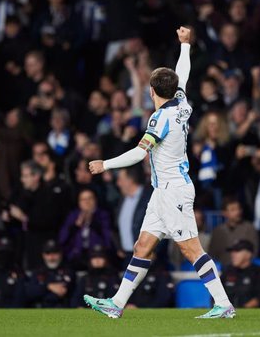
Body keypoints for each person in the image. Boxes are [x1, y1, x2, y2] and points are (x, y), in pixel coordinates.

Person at [86, 27, 235, 319]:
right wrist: (185, 45)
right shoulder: (181, 103)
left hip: (173, 190)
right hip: (163, 190)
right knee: (143, 245)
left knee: (191, 249)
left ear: (151, 91)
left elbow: (140, 153)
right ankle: (117, 304)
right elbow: (184, 73)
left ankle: (223, 303)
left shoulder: (160, 118)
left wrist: (106, 164)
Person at [59, 188, 113, 270]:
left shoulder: (103, 215)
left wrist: (92, 221)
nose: (87, 202)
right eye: (83, 199)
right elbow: (63, 238)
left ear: (95, 200)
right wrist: (76, 226)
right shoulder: (73, 216)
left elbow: (107, 236)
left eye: (89, 198)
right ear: (79, 202)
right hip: (76, 256)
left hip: (97, 255)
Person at [219, 239, 260, 309]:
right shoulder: (227, 271)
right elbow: (217, 294)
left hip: (250, 314)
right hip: (226, 313)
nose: (233, 254)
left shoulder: (258, 272)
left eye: (237, 251)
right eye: (232, 251)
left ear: (248, 254)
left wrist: (241, 310)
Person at [208, 197, 259, 266]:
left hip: (244, 268)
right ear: (224, 213)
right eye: (233, 210)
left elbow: (254, 251)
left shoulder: (249, 228)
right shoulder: (218, 231)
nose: (237, 212)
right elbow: (212, 253)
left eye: (239, 209)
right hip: (223, 269)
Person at [115, 165, 152, 259]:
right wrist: (119, 247)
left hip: (147, 255)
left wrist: (154, 251)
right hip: (127, 255)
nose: (118, 183)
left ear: (130, 180)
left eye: (120, 179)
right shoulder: (122, 199)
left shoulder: (149, 196)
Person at [25, 239, 74, 308]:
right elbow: (29, 293)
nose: (51, 257)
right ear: (43, 255)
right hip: (40, 309)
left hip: (61, 309)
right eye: (48, 253)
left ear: (60, 254)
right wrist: (48, 286)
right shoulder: (38, 271)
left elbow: (62, 292)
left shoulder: (68, 271)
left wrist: (41, 289)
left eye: (55, 253)